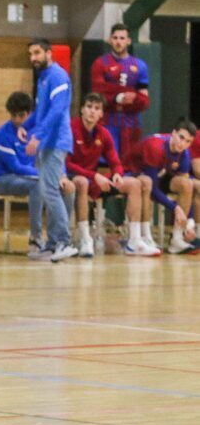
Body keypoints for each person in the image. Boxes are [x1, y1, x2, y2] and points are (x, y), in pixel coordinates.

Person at [65, 93, 159, 257]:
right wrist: (94, 176)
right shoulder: (70, 128)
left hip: (94, 178)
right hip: (73, 177)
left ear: (101, 114)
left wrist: (117, 174)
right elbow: (67, 164)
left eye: (96, 108)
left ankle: (134, 241)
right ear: (82, 110)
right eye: (88, 107)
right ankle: (85, 238)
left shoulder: (103, 133)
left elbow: (115, 162)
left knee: (134, 184)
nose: (92, 112)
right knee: (82, 182)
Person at [23, 38, 78, 262]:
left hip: (56, 142)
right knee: (48, 191)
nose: (33, 58)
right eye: (30, 54)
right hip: (47, 143)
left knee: (50, 191)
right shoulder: (43, 78)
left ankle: (64, 241)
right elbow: (40, 111)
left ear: (49, 53)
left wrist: (37, 135)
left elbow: (56, 112)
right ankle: (53, 243)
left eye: (37, 53)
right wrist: (24, 127)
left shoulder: (57, 76)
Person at [122, 122, 198, 255]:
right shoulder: (155, 147)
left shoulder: (184, 153)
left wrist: (189, 220)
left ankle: (177, 239)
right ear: (173, 133)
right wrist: (175, 207)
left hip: (158, 176)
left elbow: (186, 184)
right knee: (146, 183)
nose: (183, 143)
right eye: (181, 137)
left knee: (187, 184)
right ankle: (145, 237)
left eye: (188, 141)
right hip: (132, 172)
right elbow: (154, 190)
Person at [0, 92, 44, 256]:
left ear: (30, 113)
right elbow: (16, 167)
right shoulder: (3, 134)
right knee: (37, 186)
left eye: (21, 115)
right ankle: (35, 238)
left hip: (31, 177)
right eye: (13, 115)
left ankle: (61, 238)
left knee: (67, 187)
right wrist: (42, 175)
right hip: (4, 179)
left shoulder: (38, 132)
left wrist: (58, 176)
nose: (17, 120)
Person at [90, 23, 150, 158]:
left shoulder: (140, 66)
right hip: (107, 121)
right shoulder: (100, 63)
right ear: (110, 40)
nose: (118, 42)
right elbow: (98, 93)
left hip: (131, 122)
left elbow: (144, 99)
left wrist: (132, 98)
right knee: (104, 160)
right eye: (115, 38)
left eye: (122, 38)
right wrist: (119, 97)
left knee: (128, 162)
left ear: (128, 41)